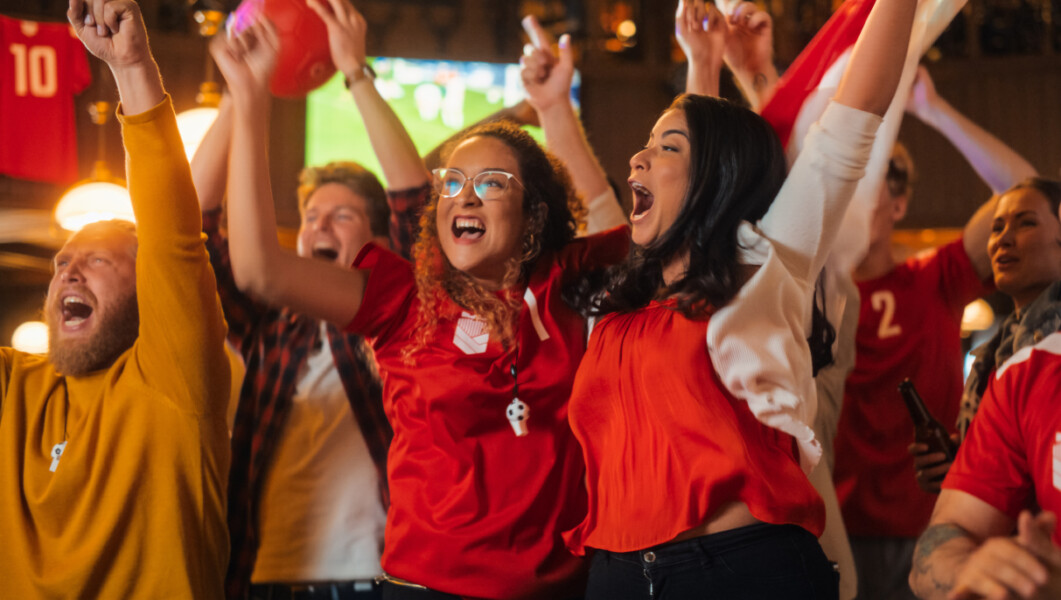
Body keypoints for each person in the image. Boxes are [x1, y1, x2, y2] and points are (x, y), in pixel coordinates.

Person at [211, 8, 629, 599]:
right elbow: (259, 272)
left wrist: (556, 112)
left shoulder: (565, 288)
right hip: (420, 589)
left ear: (534, 215)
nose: (465, 195)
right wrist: (251, 99)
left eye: (491, 183)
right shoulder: (405, 300)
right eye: (451, 183)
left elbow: (628, 233)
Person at [562, 0, 918, 594]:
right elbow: (695, 149)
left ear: (717, 177)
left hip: (738, 570)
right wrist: (701, 63)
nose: (638, 156)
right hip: (614, 573)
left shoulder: (766, 263)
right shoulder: (623, 301)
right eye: (646, 143)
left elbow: (855, 115)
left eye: (666, 147)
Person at [193, 1, 429, 596]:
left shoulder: (402, 321)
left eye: (342, 215)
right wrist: (237, 91)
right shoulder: (268, 324)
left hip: (377, 576)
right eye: (310, 216)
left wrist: (355, 72)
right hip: (264, 576)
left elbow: (413, 202)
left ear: (378, 240)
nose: (319, 228)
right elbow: (188, 226)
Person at [0, 0, 230, 597]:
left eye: (98, 260)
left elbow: (174, 239)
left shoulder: (173, 381)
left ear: (149, 290)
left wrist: (131, 67)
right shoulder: (15, 387)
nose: (69, 273)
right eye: (62, 264)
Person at [831, 65, 1036, 600]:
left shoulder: (931, 280)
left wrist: (933, 108)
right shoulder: (817, 292)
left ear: (897, 205)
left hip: (926, 527)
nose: (852, 198)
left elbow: (1025, 193)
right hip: (831, 526)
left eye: (868, 184)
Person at [909, 178, 1061, 600]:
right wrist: (972, 566)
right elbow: (945, 540)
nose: (1003, 239)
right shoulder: (1011, 368)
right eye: (996, 228)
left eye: (1024, 223)